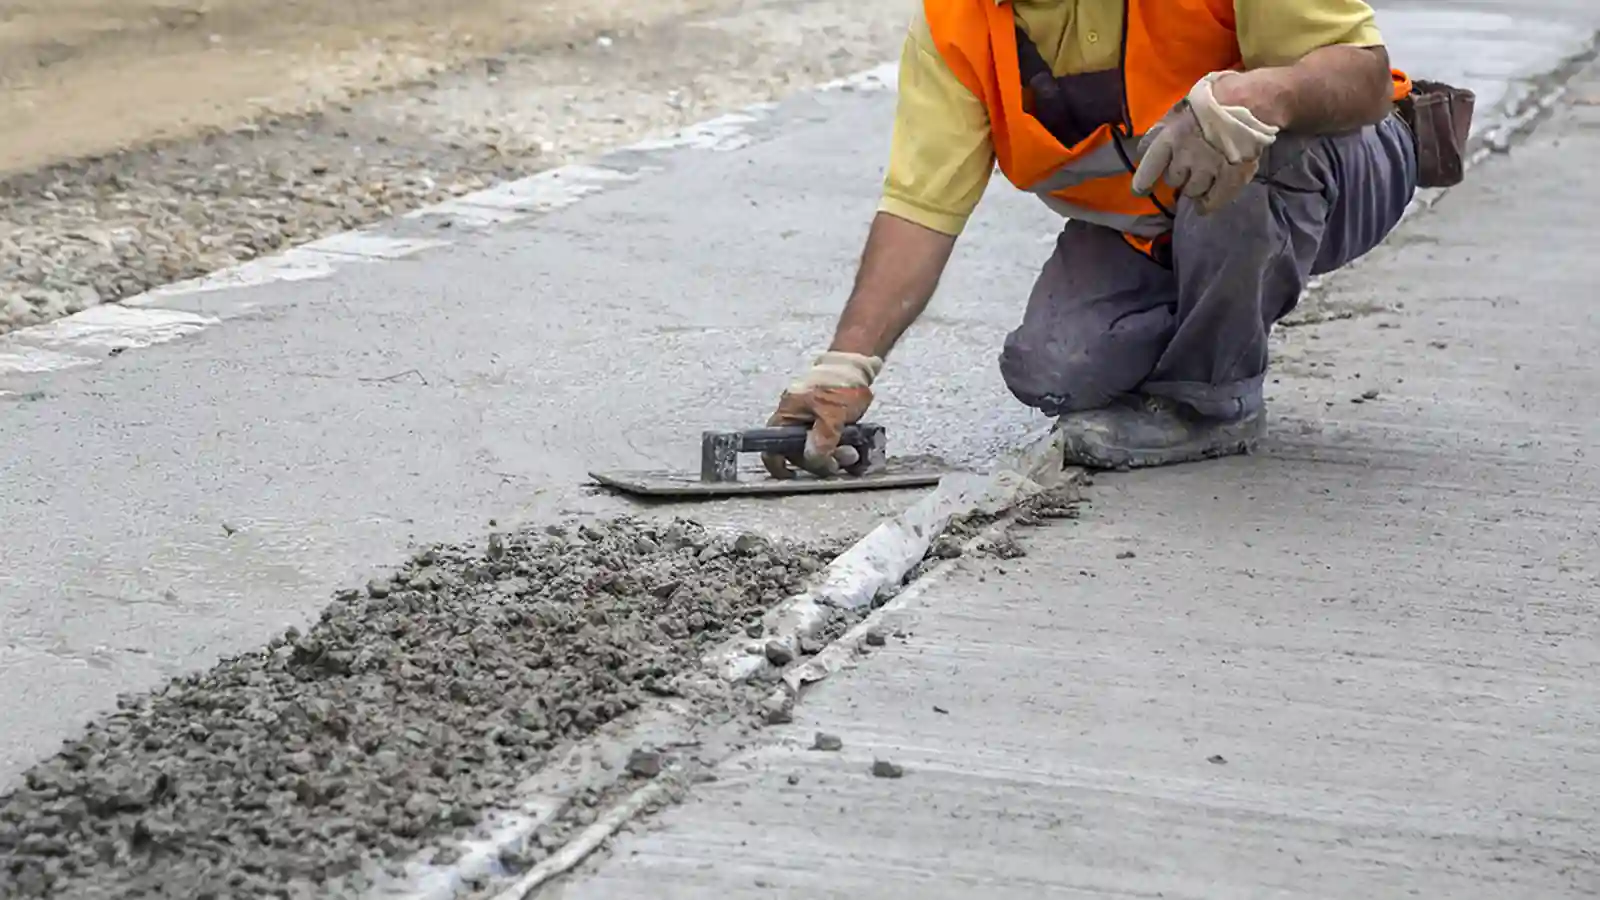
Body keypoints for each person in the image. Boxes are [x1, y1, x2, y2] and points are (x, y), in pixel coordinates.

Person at [763, 0, 1448, 476]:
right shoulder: (959, 23)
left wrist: (1260, 96)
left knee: (1244, 145)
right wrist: (845, 368)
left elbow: (1363, 76)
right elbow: (921, 208)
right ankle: (1205, 319)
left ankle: (1210, 400)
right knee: (1053, 370)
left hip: (1340, 163)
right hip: (1155, 224)